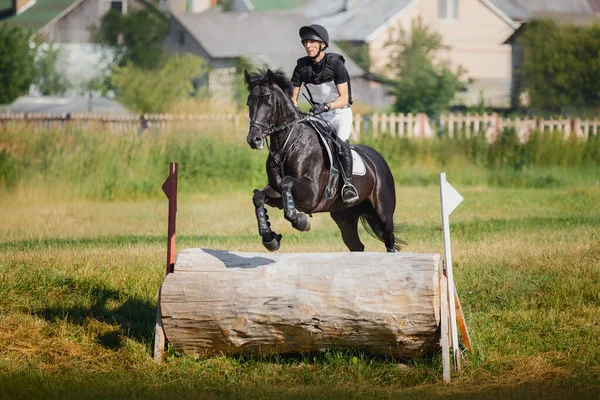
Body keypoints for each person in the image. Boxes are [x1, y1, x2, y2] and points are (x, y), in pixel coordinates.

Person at [290, 24, 359, 204]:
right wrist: (293, 111)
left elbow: (344, 98)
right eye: (306, 42)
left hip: (339, 114)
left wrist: (326, 106)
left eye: (312, 42)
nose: (308, 46)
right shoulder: (301, 67)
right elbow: (293, 97)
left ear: (322, 44)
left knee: (341, 143)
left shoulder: (336, 65)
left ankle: (348, 185)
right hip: (318, 115)